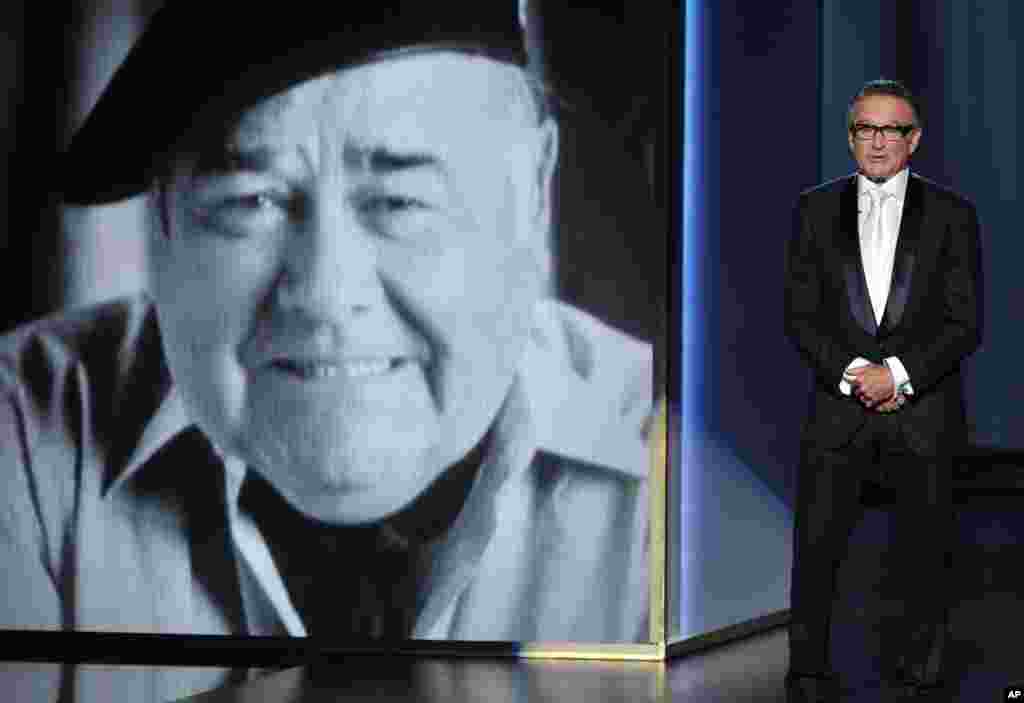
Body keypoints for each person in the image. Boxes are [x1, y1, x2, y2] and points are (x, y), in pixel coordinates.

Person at [0, 3, 655, 700]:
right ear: (158, 221)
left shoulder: (680, 476)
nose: (324, 291)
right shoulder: (24, 442)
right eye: (251, 201)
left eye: (400, 200)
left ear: (532, 195)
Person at [783, 79, 983, 702]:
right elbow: (800, 316)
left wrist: (895, 375)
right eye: (864, 129)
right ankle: (809, 669)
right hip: (837, 412)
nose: (877, 141)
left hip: (923, 413)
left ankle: (921, 672)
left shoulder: (953, 214)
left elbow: (965, 321)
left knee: (927, 551)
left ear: (914, 139)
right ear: (850, 137)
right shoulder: (813, 209)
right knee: (817, 548)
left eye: (890, 129)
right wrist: (854, 376)